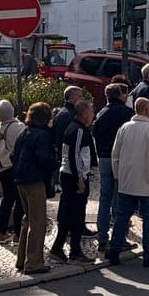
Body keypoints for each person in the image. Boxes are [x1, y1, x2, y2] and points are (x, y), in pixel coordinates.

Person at [107, 97, 149, 268]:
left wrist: (118, 176)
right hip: (148, 182)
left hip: (127, 182)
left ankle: (114, 250)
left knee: (122, 216)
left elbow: (115, 154)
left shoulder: (124, 128)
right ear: (146, 109)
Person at [10, 102, 57, 275]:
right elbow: (44, 159)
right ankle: (34, 263)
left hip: (21, 180)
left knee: (27, 220)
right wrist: (54, 163)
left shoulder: (24, 132)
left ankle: (22, 259)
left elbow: (13, 156)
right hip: (35, 181)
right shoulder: (42, 135)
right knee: (38, 223)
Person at [51, 99, 96, 263]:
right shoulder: (77, 130)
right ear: (84, 113)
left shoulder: (79, 128)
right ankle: (72, 251)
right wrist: (79, 180)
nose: (93, 115)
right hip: (73, 177)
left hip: (72, 175)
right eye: (91, 111)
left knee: (71, 214)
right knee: (74, 215)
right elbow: (73, 155)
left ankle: (63, 248)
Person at [92, 83, 131, 247]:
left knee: (105, 198)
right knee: (120, 198)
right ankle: (119, 239)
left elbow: (95, 134)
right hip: (121, 159)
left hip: (104, 158)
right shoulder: (127, 113)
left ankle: (102, 237)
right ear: (120, 95)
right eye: (126, 93)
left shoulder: (101, 113)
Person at [0, 100, 25, 243]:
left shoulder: (0, 128)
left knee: (6, 199)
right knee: (19, 201)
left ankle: (2, 233)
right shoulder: (19, 127)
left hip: (4, 168)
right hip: (16, 167)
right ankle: (18, 234)